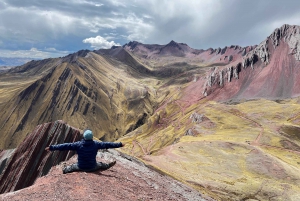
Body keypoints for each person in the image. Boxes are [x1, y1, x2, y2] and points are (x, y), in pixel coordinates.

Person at [45, 129, 124, 174]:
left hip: (81, 166)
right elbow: (108, 144)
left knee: (69, 167)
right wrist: (119, 144)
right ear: (92, 137)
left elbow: (65, 146)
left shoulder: (78, 144)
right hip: (92, 167)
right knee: (101, 164)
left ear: (84, 137)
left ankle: (64, 169)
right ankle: (107, 166)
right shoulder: (96, 144)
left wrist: (52, 148)